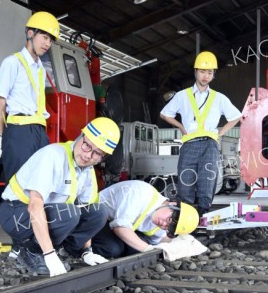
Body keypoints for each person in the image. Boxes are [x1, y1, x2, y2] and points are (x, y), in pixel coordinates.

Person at [0, 117, 120, 277]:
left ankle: (62, 250)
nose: (88, 155)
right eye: (87, 145)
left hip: (46, 214)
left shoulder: (87, 170)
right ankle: (31, 250)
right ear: (81, 136)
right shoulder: (53, 156)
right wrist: (49, 256)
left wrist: (87, 252)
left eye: (97, 153)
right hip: (16, 213)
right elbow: (35, 205)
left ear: (103, 157)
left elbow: (87, 209)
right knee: (70, 214)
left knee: (98, 212)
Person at [160, 51, 241, 221]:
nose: (205, 76)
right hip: (190, 143)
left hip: (210, 145)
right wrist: (181, 127)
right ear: (195, 71)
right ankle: (186, 219)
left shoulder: (219, 98)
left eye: (210, 72)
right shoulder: (182, 96)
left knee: (207, 180)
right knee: (186, 179)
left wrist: (220, 133)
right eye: (202, 72)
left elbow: (236, 117)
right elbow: (165, 114)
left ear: (213, 74)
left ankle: (203, 214)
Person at [0, 11, 60, 183]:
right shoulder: (12, 63)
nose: (47, 44)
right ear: (31, 33)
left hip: (39, 131)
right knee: (18, 186)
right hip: (19, 130)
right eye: (44, 37)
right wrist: (0, 136)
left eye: (51, 40)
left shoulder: (41, 70)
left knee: (39, 185)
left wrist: (41, 136)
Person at [91, 180, 199, 258]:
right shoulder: (140, 193)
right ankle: (79, 248)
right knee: (112, 249)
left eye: (169, 228)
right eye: (169, 220)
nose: (163, 224)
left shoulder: (162, 216)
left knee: (135, 248)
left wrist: (181, 243)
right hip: (96, 216)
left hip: (116, 223)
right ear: (172, 204)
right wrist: (147, 249)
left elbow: (160, 239)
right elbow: (120, 228)